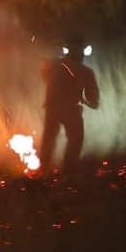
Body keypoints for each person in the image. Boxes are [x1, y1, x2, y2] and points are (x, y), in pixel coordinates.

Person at [39, 38, 100, 174]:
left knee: (69, 137)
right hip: (58, 108)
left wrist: (87, 101)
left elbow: (93, 99)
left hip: (62, 108)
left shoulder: (84, 72)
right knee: (55, 137)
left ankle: (62, 169)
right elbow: (93, 100)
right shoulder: (60, 67)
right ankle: (54, 169)